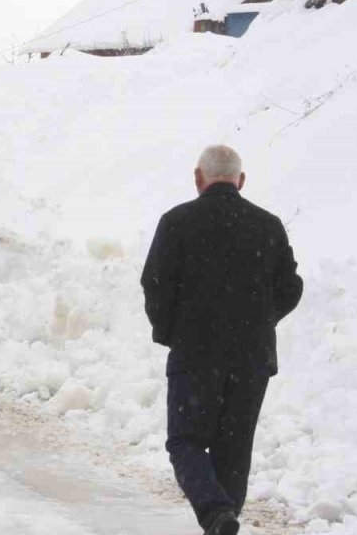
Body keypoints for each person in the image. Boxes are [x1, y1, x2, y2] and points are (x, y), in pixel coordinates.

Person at [141, 145, 304, 535]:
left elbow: (155, 284)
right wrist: (260, 322)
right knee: (234, 451)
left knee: (186, 442)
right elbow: (291, 287)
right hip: (251, 360)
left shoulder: (177, 222)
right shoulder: (268, 226)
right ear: (241, 181)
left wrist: (170, 331)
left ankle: (216, 515)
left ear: (198, 177)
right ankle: (223, 520)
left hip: (195, 355)